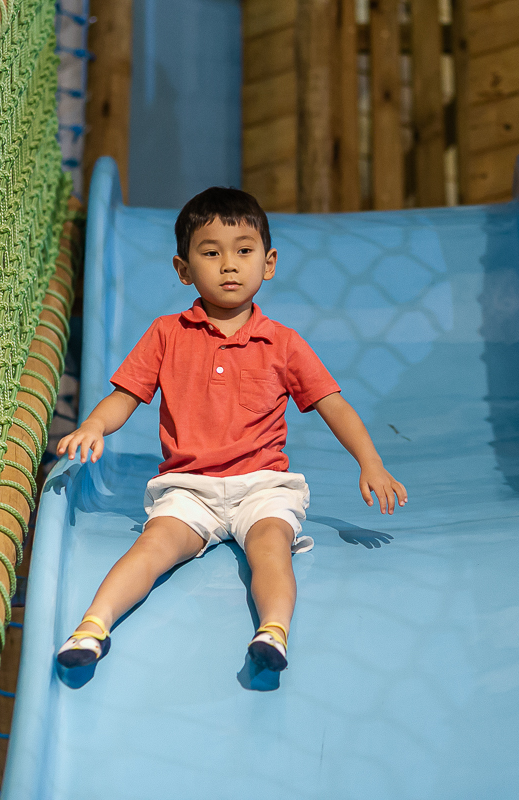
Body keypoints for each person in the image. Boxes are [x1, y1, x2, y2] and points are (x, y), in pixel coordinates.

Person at [55, 186, 407, 675]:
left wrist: (372, 462)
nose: (229, 265)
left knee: (270, 548)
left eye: (244, 251)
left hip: (262, 484)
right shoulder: (166, 333)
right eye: (211, 253)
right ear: (183, 270)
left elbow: (334, 406)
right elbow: (126, 396)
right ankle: (93, 626)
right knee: (152, 548)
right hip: (189, 488)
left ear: (269, 262)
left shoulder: (283, 343)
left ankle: (273, 631)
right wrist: (94, 424)